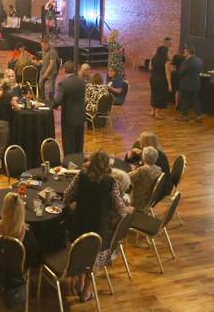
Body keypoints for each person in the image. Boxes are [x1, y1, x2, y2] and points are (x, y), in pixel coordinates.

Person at [63, 150, 132, 303]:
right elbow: (120, 209)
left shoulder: (81, 175)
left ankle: (79, 281)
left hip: (80, 224)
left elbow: (67, 196)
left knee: (80, 253)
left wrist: (73, 204)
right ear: (107, 165)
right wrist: (129, 209)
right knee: (94, 258)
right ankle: (87, 290)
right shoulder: (111, 182)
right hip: (99, 229)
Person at [52, 61, 86, 154]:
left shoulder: (63, 84)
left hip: (69, 118)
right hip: (81, 116)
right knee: (79, 144)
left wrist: (54, 105)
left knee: (69, 145)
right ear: (75, 70)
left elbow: (57, 100)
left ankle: (70, 165)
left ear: (64, 70)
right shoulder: (82, 82)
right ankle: (79, 163)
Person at [129, 146, 163, 212]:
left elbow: (127, 178)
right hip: (150, 198)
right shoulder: (159, 169)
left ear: (143, 158)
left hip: (138, 200)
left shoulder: (142, 170)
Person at [176, 44, 203, 123]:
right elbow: (200, 71)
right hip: (195, 84)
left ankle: (185, 116)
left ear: (188, 52)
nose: (184, 53)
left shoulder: (186, 61)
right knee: (195, 100)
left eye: (185, 52)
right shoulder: (199, 60)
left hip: (185, 85)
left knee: (184, 100)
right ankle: (198, 115)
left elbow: (181, 72)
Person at [150, 45, 172, 119]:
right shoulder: (166, 61)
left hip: (153, 78)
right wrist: (169, 84)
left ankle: (152, 111)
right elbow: (167, 73)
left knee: (154, 94)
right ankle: (157, 113)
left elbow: (150, 68)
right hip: (161, 80)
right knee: (161, 95)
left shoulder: (154, 58)